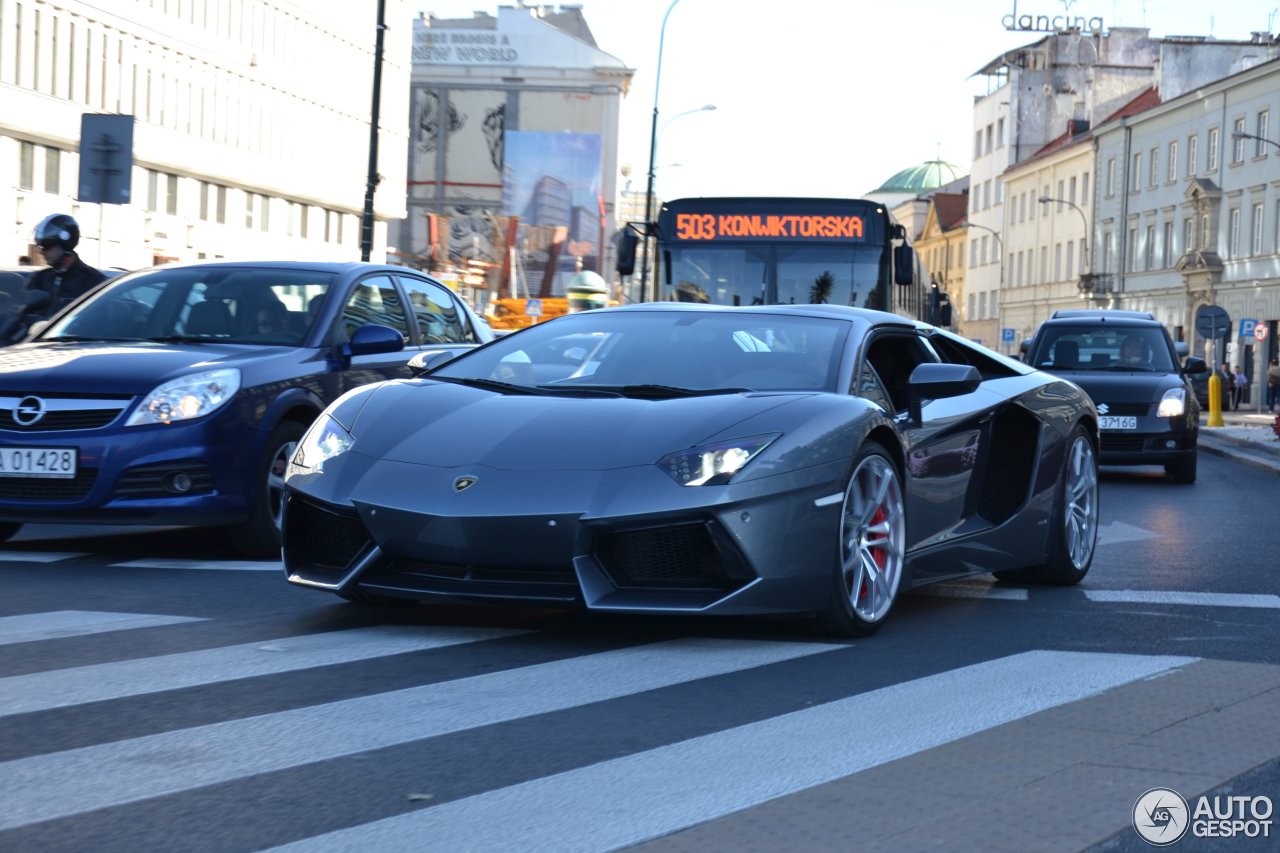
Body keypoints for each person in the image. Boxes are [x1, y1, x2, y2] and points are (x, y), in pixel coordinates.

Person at [24, 214, 106, 320]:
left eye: (47, 246)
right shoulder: (39, 279)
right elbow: (23, 313)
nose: (42, 252)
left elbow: (98, 320)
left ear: (65, 246)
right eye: (41, 247)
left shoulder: (92, 281)